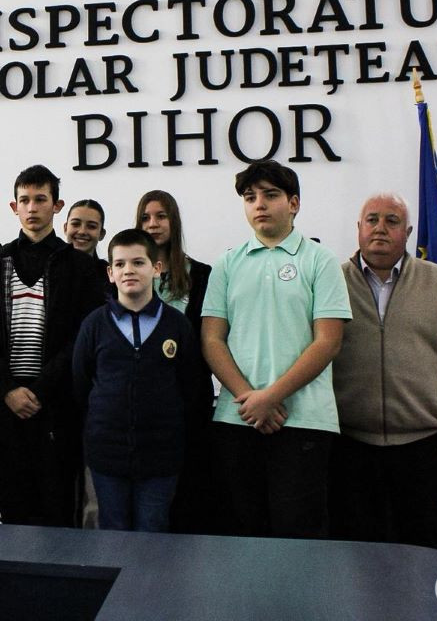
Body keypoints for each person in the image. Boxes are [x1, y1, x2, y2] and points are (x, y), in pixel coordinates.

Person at [200, 160, 351, 539]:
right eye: (250, 197)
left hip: (303, 420)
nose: (259, 204)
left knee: (297, 535)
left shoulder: (320, 260)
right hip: (238, 417)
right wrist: (251, 399)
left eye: (270, 195)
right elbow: (212, 340)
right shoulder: (227, 264)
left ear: (294, 203)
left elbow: (328, 341)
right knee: (242, 532)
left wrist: (271, 397)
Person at [330, 193, 437, 549]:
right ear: (358, 227)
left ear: (409, 232)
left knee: (421, 547)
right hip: (350, 444)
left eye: (392, 221)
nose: (380, 228)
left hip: (421, 446)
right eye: (372, 220)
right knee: (358, 548)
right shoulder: (331, 281)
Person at [0, 165, 104, 527]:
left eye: (40, 199)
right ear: (14, 207)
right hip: (3, 404)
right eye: (25, 200)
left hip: (55, 406)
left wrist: (41, 389)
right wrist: (8, 389)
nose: (32, 208)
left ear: (56, 206)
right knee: (6, 509)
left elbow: (82, 336)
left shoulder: (79, 266)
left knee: (56, 507)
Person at [73, 229, 210, 532]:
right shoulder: (94, 324)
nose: (128, 270)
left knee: (153, 529)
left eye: (138, 262)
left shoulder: (177, 325)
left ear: (156, 268)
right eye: (120, 264)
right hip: (106, 454)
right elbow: (81, 385)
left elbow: (191, 386)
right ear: (110, 273)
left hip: (161, 455)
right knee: (112, 531)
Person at [135, 189, 215, 533]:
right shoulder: (130, 274)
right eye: (146, 218)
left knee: (188, 498)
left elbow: (209, 342)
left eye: (161, 216)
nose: (153, 224)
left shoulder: (202, 275)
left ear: (174, 221)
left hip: (187, 402)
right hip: (140, 404)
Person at [63, 199, 110, 294]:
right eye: (76, 224)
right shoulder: (49, 267)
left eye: (91, 226)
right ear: (65, 228)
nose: (82, 231)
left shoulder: (109, 276)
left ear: (102, 234)